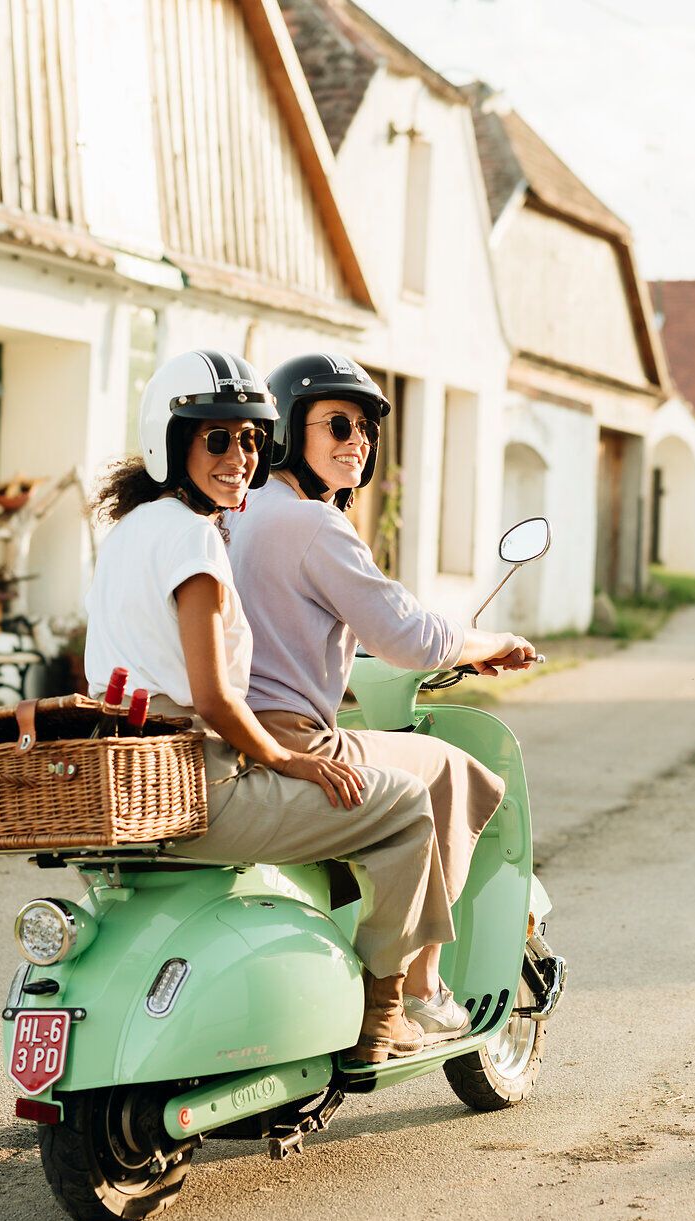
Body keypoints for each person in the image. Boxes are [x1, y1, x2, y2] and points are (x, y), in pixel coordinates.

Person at [83, 348, 447, 1062]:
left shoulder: (131, 530)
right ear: (172, 438)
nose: (240, 456)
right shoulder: (193, 539)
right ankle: (385, 1013)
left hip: (139, 775)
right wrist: (286, 759)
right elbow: (215, 696)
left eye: (251, 438)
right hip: (207, 784)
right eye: (218, 438)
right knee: (407, 806)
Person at [228, 353, 536, 1045]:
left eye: (366, 428)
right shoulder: (314, 524)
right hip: (300, 740)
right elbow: (412, 637)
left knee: (416, 766)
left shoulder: (241, 512)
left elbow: (297, 625)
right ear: (287, 431)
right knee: (453, 770)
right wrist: (490, 640)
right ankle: (419, 985)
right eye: (337, 423)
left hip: (243, 732)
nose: (357, 440)